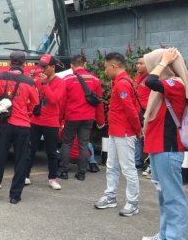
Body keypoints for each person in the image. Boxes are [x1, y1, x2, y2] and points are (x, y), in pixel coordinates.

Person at [141, 47, 188, 240]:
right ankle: (165, 234)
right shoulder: (166, 86)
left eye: (152, 63)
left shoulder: (176, 83)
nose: (149, 67)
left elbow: (151, 81)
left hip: (168, 148)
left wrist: (164, 61)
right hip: (158, 147)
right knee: (163, 194)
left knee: (173, 195)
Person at [0, 50, 39, 205]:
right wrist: (27, 114)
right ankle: (15, 196)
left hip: (6, 125)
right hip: (23, 126)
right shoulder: (30, 82)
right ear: (24, 64)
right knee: (21, 160)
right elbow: (36, 105)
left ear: (9, 62)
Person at [94, 52, 142, 216]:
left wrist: (137, 130)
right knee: (112, 165)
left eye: (106, 67)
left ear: (114, 66)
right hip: (116, 131)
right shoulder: (122, 81)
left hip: (124, 132)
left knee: (128, 168)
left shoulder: (121, 84)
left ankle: (132, 202)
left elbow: (130, 111)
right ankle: (110, 196)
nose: (105, 71)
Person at [59, 53, 104, 181]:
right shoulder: (95, 80)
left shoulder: (66, 79)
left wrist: (59, 119)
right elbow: (98, 102)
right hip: (88, 117)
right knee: (83, 145)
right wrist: (101, 120)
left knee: (67, 143)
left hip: (71, 116)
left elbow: (62, 102)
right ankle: (81, 173)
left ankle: (63, 171)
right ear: (85, 64)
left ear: (72, 65)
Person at [25, 54, 66, 190]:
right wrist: (30, 81)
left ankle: (52, 178)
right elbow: (30, 95)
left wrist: (45, 84)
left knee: (51, 152)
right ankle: (25, 175)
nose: (41, 69)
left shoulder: (60, 82)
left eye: (44, 67)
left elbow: (54, 100)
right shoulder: (38, 80)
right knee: (30, 149)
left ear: (53, 67)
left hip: (51, 122)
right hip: (36, 120)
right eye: (40, 66)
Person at [133, 56, 151, 172]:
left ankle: (150, 165)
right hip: (137, 112)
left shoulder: (151, 79)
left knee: (148, 138)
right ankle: (137, 163)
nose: (138, 65)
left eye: (141, 64)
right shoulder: (137, 78)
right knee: (138, 137)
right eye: (137, 63)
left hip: (147, 113)